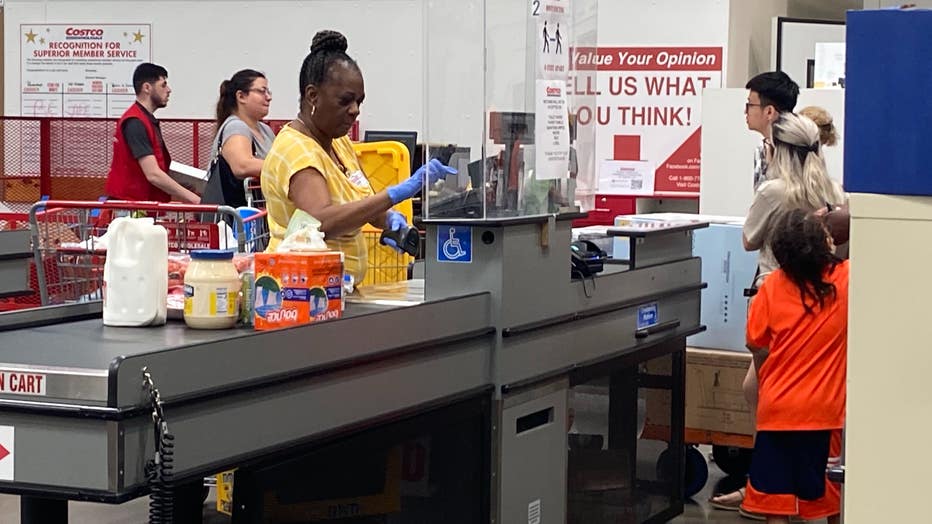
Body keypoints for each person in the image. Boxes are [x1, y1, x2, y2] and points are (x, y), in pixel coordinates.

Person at [711, 112, 845, 513]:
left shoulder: (774, 190)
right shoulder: (836, 191)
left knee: (764, 394)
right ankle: (802, 495)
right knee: (821, 395)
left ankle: (766, 489)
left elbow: (750, 238)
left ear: (777, 149)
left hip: (777, 296)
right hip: (827, 300)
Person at [260, 30, 455, 283]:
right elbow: (322, 220)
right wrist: (396, 193)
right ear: (312, 96)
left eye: (359, 102)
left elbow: (358, 202)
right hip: (301, 291)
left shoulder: (338, 142)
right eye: (345, 101)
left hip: (337, 289)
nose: (355, 111)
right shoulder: (296, 150)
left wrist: (387, 219)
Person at [740, 208, 847, 524]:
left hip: (778, 412)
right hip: (825, 414)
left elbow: (756, 345)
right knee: (832, 502)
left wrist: (766, 378)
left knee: (777, 504)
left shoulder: (772, 287)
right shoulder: (846, 280)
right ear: (823, 242)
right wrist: (827, 219)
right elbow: (862, 224)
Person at [105, 63, 200, 203]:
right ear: (147, 88)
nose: (169, 90)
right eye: (163, 85)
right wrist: (195, 199)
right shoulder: (135, 123)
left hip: (141, 205)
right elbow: (153, 174)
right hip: (131, 208)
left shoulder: (145, 120)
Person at [201, 69, 276, 208]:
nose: (268, 97)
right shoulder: (236, 126)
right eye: (262, 91)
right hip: (239, 216)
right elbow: (242, 165)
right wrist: (287, 167)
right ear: (241, 96)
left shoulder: (265, 130)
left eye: (268, 92)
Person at [744, 71, 800, 190]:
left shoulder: (797, 151)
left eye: (750, 104)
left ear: (769, 111)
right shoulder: (762, 150)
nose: (745, 111)